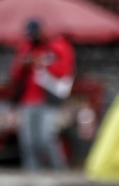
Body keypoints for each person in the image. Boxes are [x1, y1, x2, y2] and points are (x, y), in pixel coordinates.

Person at [9, 20, 75, 171]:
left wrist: (44, 62)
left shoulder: (56, 46)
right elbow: (14, 73)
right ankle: (32, 175)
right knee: (28, 142)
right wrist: (26, 63)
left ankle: (59, 171)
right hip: (27, 100)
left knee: (46, 138)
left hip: (48, 99)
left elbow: (63, 71)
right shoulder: (25, 47)